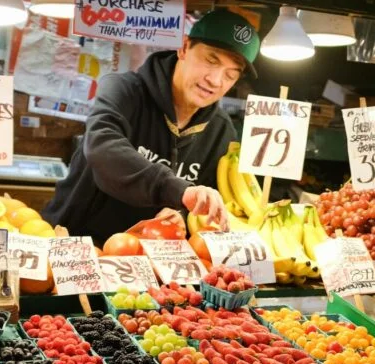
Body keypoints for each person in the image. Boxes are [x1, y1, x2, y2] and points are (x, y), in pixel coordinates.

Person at [43, 9, 259, 244]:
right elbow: (102, 147)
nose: (216, 80)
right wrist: (179, 191)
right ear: (184, 47)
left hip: (150, 265)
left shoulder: (221, 132)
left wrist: (182, 213)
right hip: (75, 246)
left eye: (230, 75)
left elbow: (206, 202)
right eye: (211, 60)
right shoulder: (122, 91)